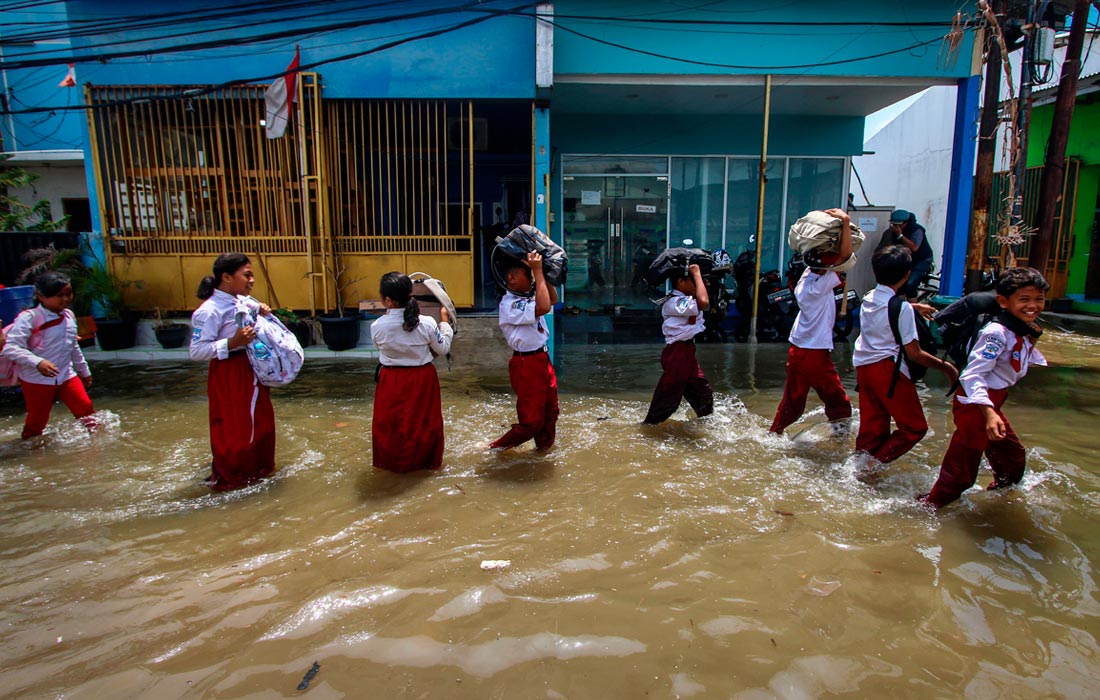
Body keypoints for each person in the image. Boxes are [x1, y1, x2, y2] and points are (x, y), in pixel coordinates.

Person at [919, 267, 1049, 509]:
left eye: (1039, 299)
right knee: (960, 472)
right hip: (976, 404)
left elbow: (1020, 362)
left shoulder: (1020, 328)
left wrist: (1033, 336)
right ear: (1003, 301)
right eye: (1024, 299)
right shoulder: (996, 333)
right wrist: (988, 412)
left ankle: (998, 501)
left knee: (1012, 459)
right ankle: (927, 509)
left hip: (992, 403)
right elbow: (972, 375)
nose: (1033, 305)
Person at [852, 246, 957, 464]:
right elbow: (915, 353)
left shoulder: (869, 298)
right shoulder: (901, 309)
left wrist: (912, 307)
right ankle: (875, 465)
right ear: (907, 275)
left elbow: (887, 307)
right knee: (914, 428)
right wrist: (947, 368)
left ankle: (860, 469)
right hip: (888, 371)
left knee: (872, 429)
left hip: (864, 367)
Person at [189, 253, 276, 491]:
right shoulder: (209, 311)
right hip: (230, 373)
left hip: (250, 369)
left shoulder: (241, 301)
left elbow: (251, 311)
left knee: (260, 422)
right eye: (247, 275)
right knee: (235, 426)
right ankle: (233, 479)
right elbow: (196, 351)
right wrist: (232, 342)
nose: (252, 280)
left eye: (252, 275)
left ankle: (259, 471)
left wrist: (261, 309)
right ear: (226, 277)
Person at [769, 208, 854, 435]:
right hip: (813, 352)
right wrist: (845, 221)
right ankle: (841, 441)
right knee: (838, 401)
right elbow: (845, 257)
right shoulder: (820, 284)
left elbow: (836, 259)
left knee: (792, 402)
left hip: (798, 348)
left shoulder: (806, 279)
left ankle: (774, 433)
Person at [370, 272, 454, 472]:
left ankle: (392, 466)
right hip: (421, 379)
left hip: (391, 380)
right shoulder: (426, 323)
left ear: (388, 300)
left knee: (390, 425)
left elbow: (381, 348)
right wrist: (445, 324)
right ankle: (426, 463)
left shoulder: (377, 327)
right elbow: (442, 349)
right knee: (424, 423)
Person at [2, 271, 96, 439]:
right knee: (37, 422)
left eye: (69, 294)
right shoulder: (29, 318)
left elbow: (73, 345)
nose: (66, 299)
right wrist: (38, 362)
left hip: (66, 375)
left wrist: (84, 370)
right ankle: (31, 454)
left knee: (86, 411)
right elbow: (11, 348)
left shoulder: (68, 316)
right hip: (36, 379)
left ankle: (97, 444)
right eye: (60, 295)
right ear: (41, 297)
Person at [490, 251, 559, 451]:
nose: (531, 279)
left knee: (551, 411)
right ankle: (494, 448)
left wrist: (543, 273)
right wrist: (537, 271)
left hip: (541, 358)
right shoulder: (509, 304)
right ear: (511, 279)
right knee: (532, 421)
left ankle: (544, 450)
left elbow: (552, 299)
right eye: (526, 275)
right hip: (526, 363)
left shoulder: (527, 295)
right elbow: (545, 307)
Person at [643, 263, 714, 424]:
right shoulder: (675, 302)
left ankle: (708, 423)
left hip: (687, 351)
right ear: (681, 282)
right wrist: (696, 273)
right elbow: (703, 302)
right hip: (677, 352)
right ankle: (648, 427)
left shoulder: (685, 300)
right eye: (693, 281)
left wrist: (697, 277)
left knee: (702, 391)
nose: (697, 285)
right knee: (668, 395)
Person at [878, 209, 933, 299]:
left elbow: (914, 247)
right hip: (905, 259)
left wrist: (900, 236)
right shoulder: (891, 232)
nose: (896, 226)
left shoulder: (916, 230)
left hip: (921, 260)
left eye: (899, 224)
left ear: (905, 222)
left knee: (910, 285)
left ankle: (914, 310)